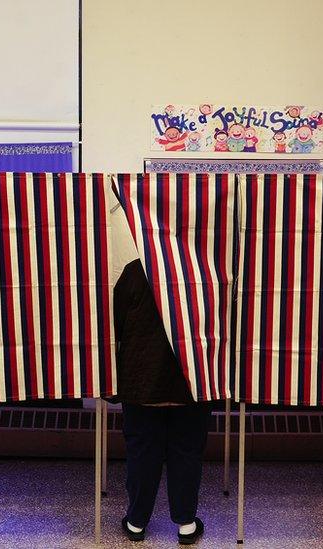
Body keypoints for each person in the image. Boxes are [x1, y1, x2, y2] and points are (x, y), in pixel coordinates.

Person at [109, 210, 211, 545]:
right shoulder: (202, 273)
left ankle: (137, 521)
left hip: (143, 384)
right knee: (186, 451)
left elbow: (118, 324)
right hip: (191, 380)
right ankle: (184, 523)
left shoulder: (135, 272)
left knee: (142, 452)